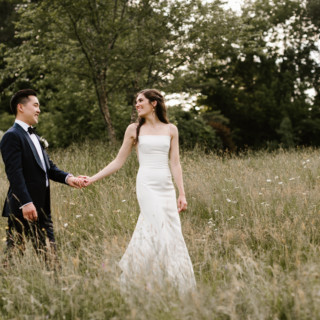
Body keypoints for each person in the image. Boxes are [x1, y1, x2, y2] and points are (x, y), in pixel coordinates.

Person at [84, 89, 196, 293]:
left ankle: (171, 281)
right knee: (155, 226)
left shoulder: (171, 129)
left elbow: (176, 163)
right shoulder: (134, 129)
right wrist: (92, 179)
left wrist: (182, 193)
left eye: (140, 101)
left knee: (170, 230)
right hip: (146, 184)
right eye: (136, 101)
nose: (137, 104)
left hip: (166, 186)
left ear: (154, 103)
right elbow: (118, 161)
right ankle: (140, 280)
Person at [0, 89, 85, 265]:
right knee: (14, 256)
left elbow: (49, 169)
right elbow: (14, 173)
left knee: (50, 255)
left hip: (43, 208)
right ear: (21, 107)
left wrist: (70, 178)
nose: (39, 110)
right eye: (35, 105)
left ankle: (54, 288)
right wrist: (26, 202)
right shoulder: (12, 136)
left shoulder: (35, 137)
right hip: (22, 208)